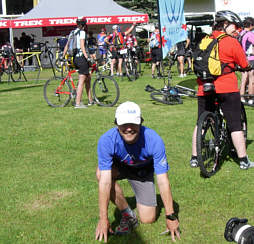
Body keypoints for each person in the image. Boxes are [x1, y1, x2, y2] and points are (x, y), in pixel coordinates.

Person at [95, 101, 180, 243]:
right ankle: (128, 214)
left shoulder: (154, 140)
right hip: (121, 168)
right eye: (123, 124)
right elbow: (104, 181)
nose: (128, 129)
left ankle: (147, 199)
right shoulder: (106, 140)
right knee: (100, 173)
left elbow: (163, 180)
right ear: (116, 124)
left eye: (133, 124)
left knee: (148, 219)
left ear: (140, 122)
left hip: (142, 172)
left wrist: (170, 215)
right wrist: (103, 218)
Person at [190, 10, 254, 170]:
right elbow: (244, 63)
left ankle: (195, 158)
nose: (236, 30)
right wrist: (246, 66)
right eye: (234, 26)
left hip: (204, 86)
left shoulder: (204, 40)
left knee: (201, 122)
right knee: (235, 123)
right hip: (226, 87)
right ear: (225, 24)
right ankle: (243, 160)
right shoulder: (230, 42)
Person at [63, 17, 94, 108]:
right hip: (81, 58)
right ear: (84, 24)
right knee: (81, 80)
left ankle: (90, 100)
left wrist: (62, 56)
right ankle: (77, 103)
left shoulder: (72, 32)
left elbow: (67, 45)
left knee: (87, 79)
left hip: (75, 58)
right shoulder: (82, 32)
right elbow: (82, 46)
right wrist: (87, 57)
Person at [239, 17, 254, 105]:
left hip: (242, 59)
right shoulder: (250, 34)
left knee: (243, 80)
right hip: (251, 59)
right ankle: (251, 98)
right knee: (252, 79)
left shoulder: (241, 33)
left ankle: (241, 98)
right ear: (251, 25)